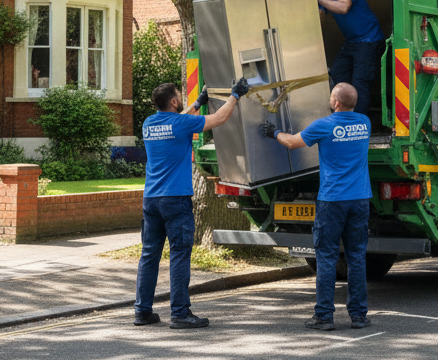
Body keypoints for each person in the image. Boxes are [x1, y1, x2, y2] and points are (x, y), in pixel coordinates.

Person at [136, 78, 248, 328]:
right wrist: (235, 96)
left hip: (151, 199)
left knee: (149, 255)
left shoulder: (149, 123)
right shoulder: (181, 123)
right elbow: (219, 119)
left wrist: (198, 102)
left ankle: (142, 311)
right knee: (179, 254)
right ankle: (180, 313)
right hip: (175, 200)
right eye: (180, 97)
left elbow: (177, 121)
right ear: (174, 102)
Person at [261, 83, 372, 331]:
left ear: (335, 103)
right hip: (360, 200)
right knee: (356, 258)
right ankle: (358, 316)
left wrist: (274, 132)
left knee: (326, 258)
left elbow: (291, 142)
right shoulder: (364, 123)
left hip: (332, 201)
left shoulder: (324, 125)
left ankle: (324, 316)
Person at [311, 0, 385, 117]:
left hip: (369, 40)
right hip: (352, 41)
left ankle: (357, 124)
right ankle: (342, 115)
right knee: (337, 74)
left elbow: (344, 7)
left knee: (360, 83)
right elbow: (321, 13)